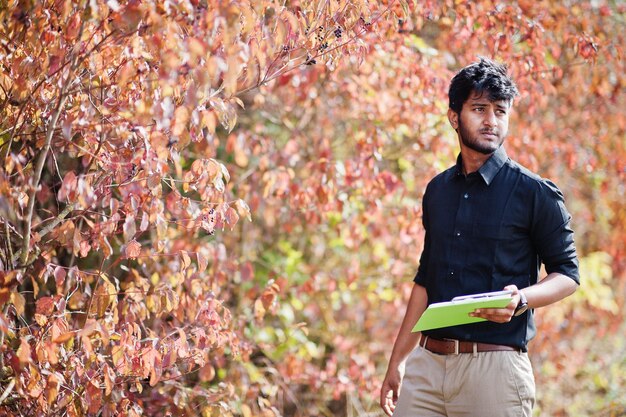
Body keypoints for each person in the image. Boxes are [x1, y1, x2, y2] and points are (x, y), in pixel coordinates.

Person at [379, 58, 580, 417]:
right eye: (479, 109)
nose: (491, 121)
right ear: (454, 117)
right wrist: (397, 362)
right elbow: (425, 282)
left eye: (500, 111)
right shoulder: (437, 190)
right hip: (426, 367)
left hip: (494, 372)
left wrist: (521, 299)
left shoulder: (534, 193)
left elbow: (568, 275)